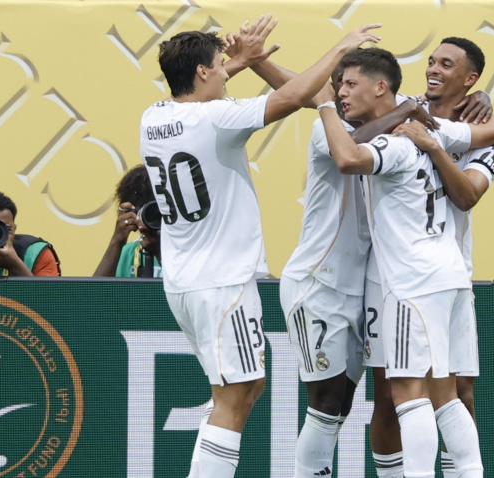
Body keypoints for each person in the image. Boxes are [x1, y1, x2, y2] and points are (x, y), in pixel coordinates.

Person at [139, 14, 381, 478]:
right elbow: (293, 98)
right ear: (203, 73)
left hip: (185, 280)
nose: (226, 72)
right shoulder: (217, 117)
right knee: (236, 395)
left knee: (238, 390)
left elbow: (207, 87)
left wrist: (244, 59)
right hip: (224, 280)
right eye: (219, 65)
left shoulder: (154, 116)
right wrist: (340, 49)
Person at [319, 47, 494, 478]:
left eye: (351, 86)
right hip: (443, 271)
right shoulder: (430, 124)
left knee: (412, 395)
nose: (345, 94)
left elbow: (349, 157)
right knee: (442, 395)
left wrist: (323, 104)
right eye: (432, 62)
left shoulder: (405, 139)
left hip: (411, 279)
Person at [93, 164, 161, 278]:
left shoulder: (188, 251)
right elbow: (94, 293)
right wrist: (117, 242)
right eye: (144, 212)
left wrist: (159, 253)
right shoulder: (127, 253)